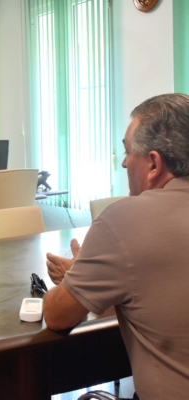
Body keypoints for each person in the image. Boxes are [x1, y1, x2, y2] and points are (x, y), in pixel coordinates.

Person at [43, 93, 189, 400]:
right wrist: (94, 281)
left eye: (127, 152)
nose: (123, 162)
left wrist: (75, 277)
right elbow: (155, 296)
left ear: (153, 164)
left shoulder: (126, 219)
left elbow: (56, 315)